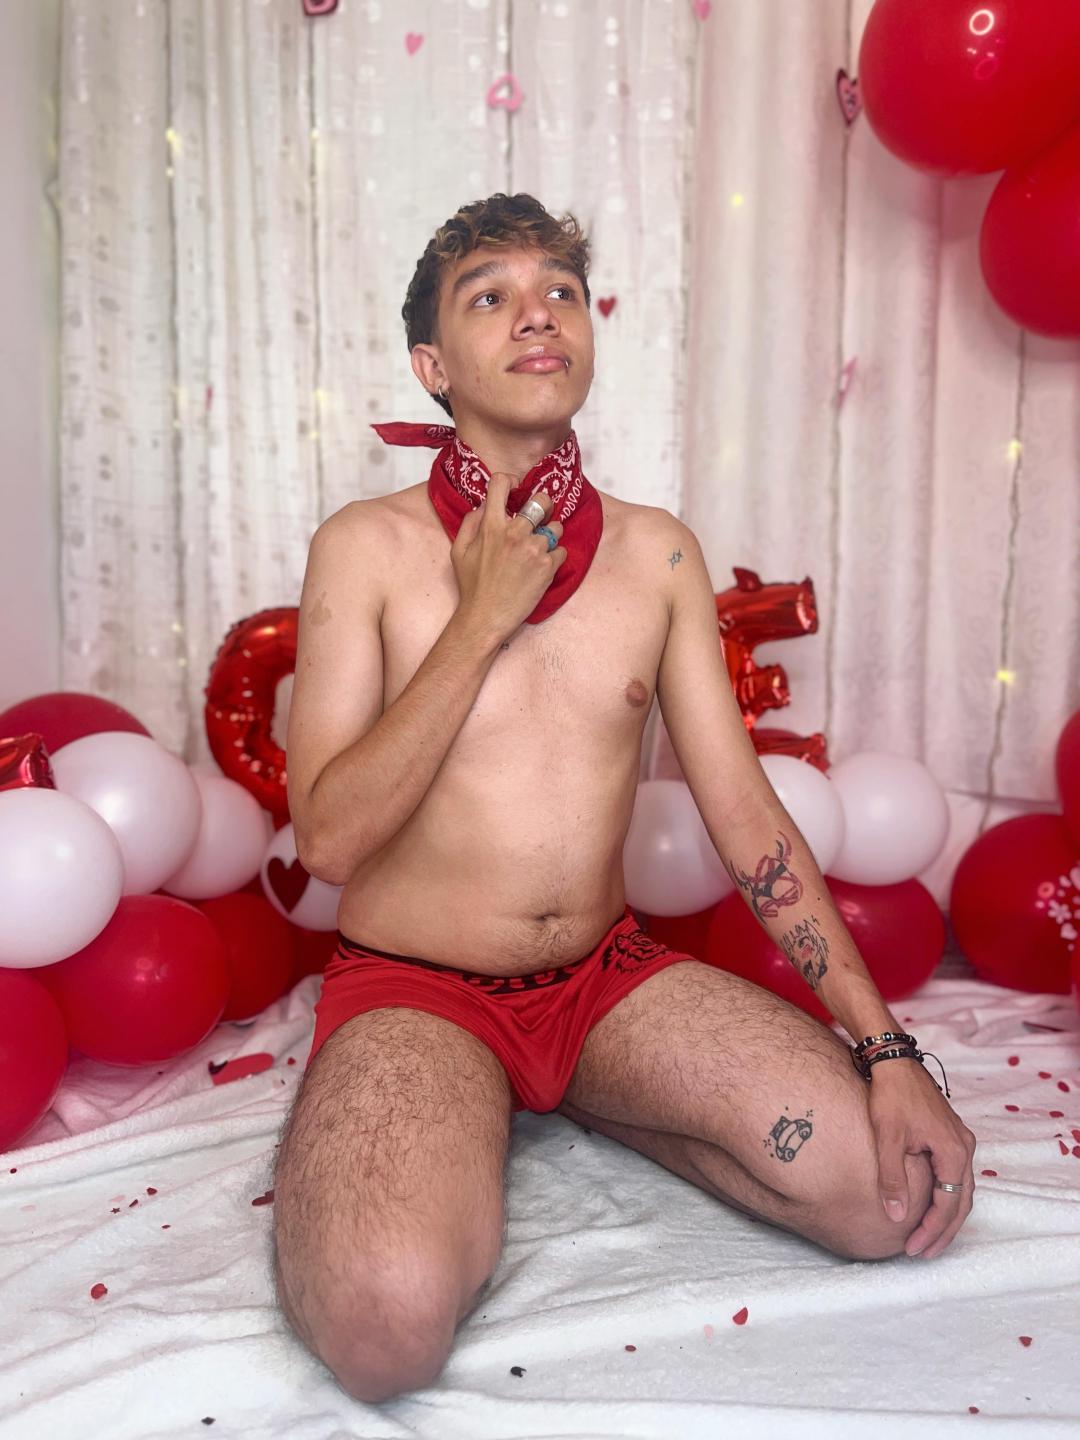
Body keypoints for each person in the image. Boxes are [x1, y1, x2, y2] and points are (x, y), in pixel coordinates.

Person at [271, 193, 976, 1404]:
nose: (537, 313)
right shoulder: (365, 547)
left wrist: (888, 1047)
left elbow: (746, 816)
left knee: (887, 1201)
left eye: (560, 291)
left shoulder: (658, 552)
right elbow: (328, 839)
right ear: (433, 367)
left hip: (601, 983)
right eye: (490, 295)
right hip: (417, 991)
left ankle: (591, 1095)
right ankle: (472, 1105)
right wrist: (480, 619)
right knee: (383, 1335)